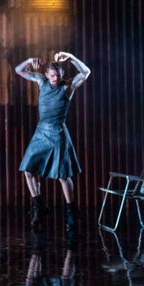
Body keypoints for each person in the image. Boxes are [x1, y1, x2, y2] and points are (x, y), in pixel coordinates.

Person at [15, 51, 91, 232]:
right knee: (28, 170)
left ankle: (71, 211)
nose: (55, 78)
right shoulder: (41, 82)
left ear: (62, 74)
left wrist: (71, 57)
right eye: (52, 75)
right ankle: (38, 205)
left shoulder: (67, 88)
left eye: (58, 75)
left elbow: (86, 73)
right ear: (46, 75)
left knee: (63, 176)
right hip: (41, 132)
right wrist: (28, 59)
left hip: (57, 133)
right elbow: (19, 71)